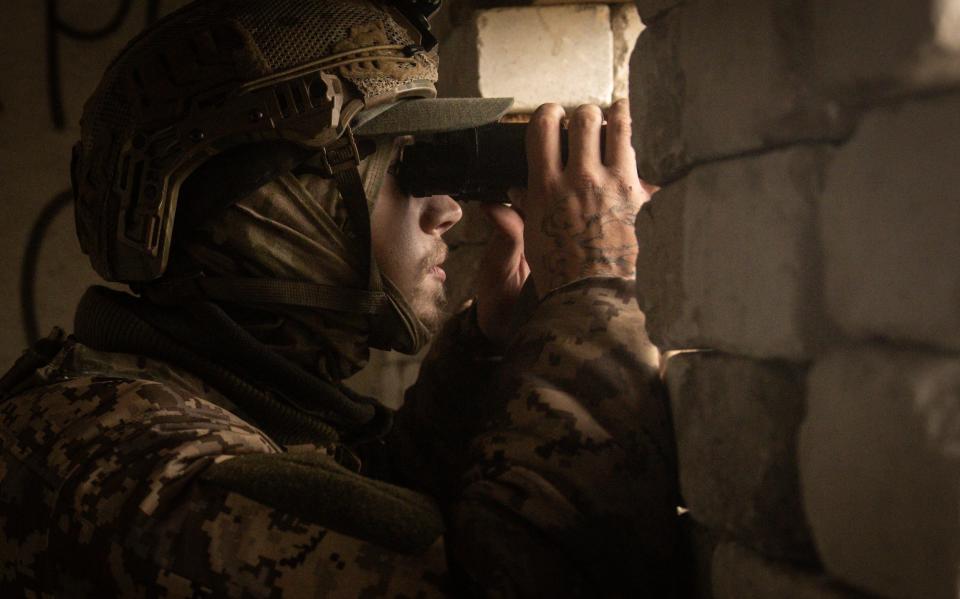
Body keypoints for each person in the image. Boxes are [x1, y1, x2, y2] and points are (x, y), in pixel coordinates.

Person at [0, 0, 678, 596]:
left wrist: (488, 354)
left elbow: (366, 501)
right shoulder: (127, 474)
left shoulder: (163, 402)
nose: (447, 209)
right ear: (278, 203)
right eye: (403, 164)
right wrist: (598, 285)